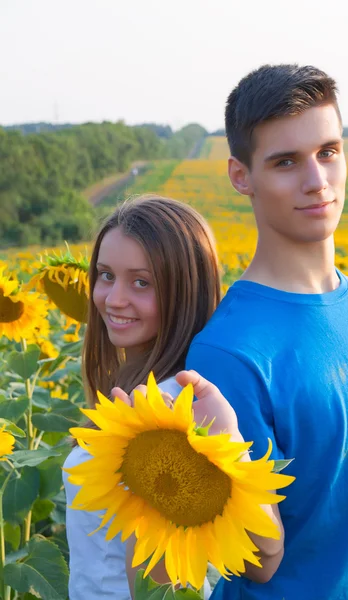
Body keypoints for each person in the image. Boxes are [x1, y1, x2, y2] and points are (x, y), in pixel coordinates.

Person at [186, 64, 348, 599]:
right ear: (241, 177)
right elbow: (257, 561)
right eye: (286, 162)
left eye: (329, 151)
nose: (317, 181)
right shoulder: (229, 354)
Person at [62, 195, 221, 599]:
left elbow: (165, 587)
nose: (113, 299)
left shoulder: (167, 415)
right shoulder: (138, 397)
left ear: (185, 291)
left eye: (141, 282)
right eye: (105, 275)